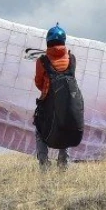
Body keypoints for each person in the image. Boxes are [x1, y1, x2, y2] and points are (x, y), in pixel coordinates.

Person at [34, 24, 71, 170]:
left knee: (40, 131)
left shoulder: (41, 61)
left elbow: (38, 82)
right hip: (67, 104)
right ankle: (63, 163)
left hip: (48, 103)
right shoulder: (71, 59)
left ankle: (44, 164)